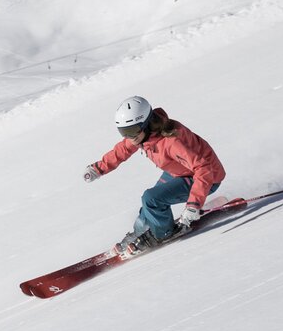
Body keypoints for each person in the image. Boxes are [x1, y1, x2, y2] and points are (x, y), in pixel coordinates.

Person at [83, 95, 226, 257]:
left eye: (131, 131)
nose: (129, 137)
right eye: (123, 132)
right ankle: (139, 232)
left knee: (152, 199)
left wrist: (194, 204)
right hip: (181, 172)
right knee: (149, 205)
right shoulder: (142, 134)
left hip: (207, 178)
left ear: (145, 124)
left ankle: (164, 233)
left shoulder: (171, 141)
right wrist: (98, 169)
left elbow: (203, 167)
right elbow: (121, 151)